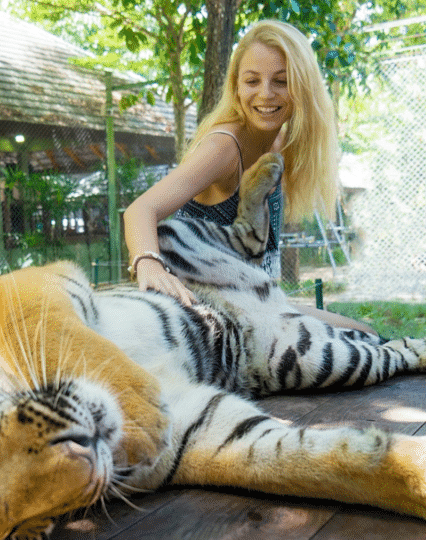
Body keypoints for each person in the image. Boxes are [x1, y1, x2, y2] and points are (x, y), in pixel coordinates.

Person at [123, 19, 375, 334]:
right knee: (359, 339)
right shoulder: (224, 146)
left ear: (303, 86)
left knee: (367, 334)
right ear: (236, 85)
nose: (265, 94)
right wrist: (149, 264)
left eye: (281, 81)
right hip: (202, 313)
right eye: (252, 80)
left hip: (250, 304)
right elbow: (140, 209)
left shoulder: (283, 145)